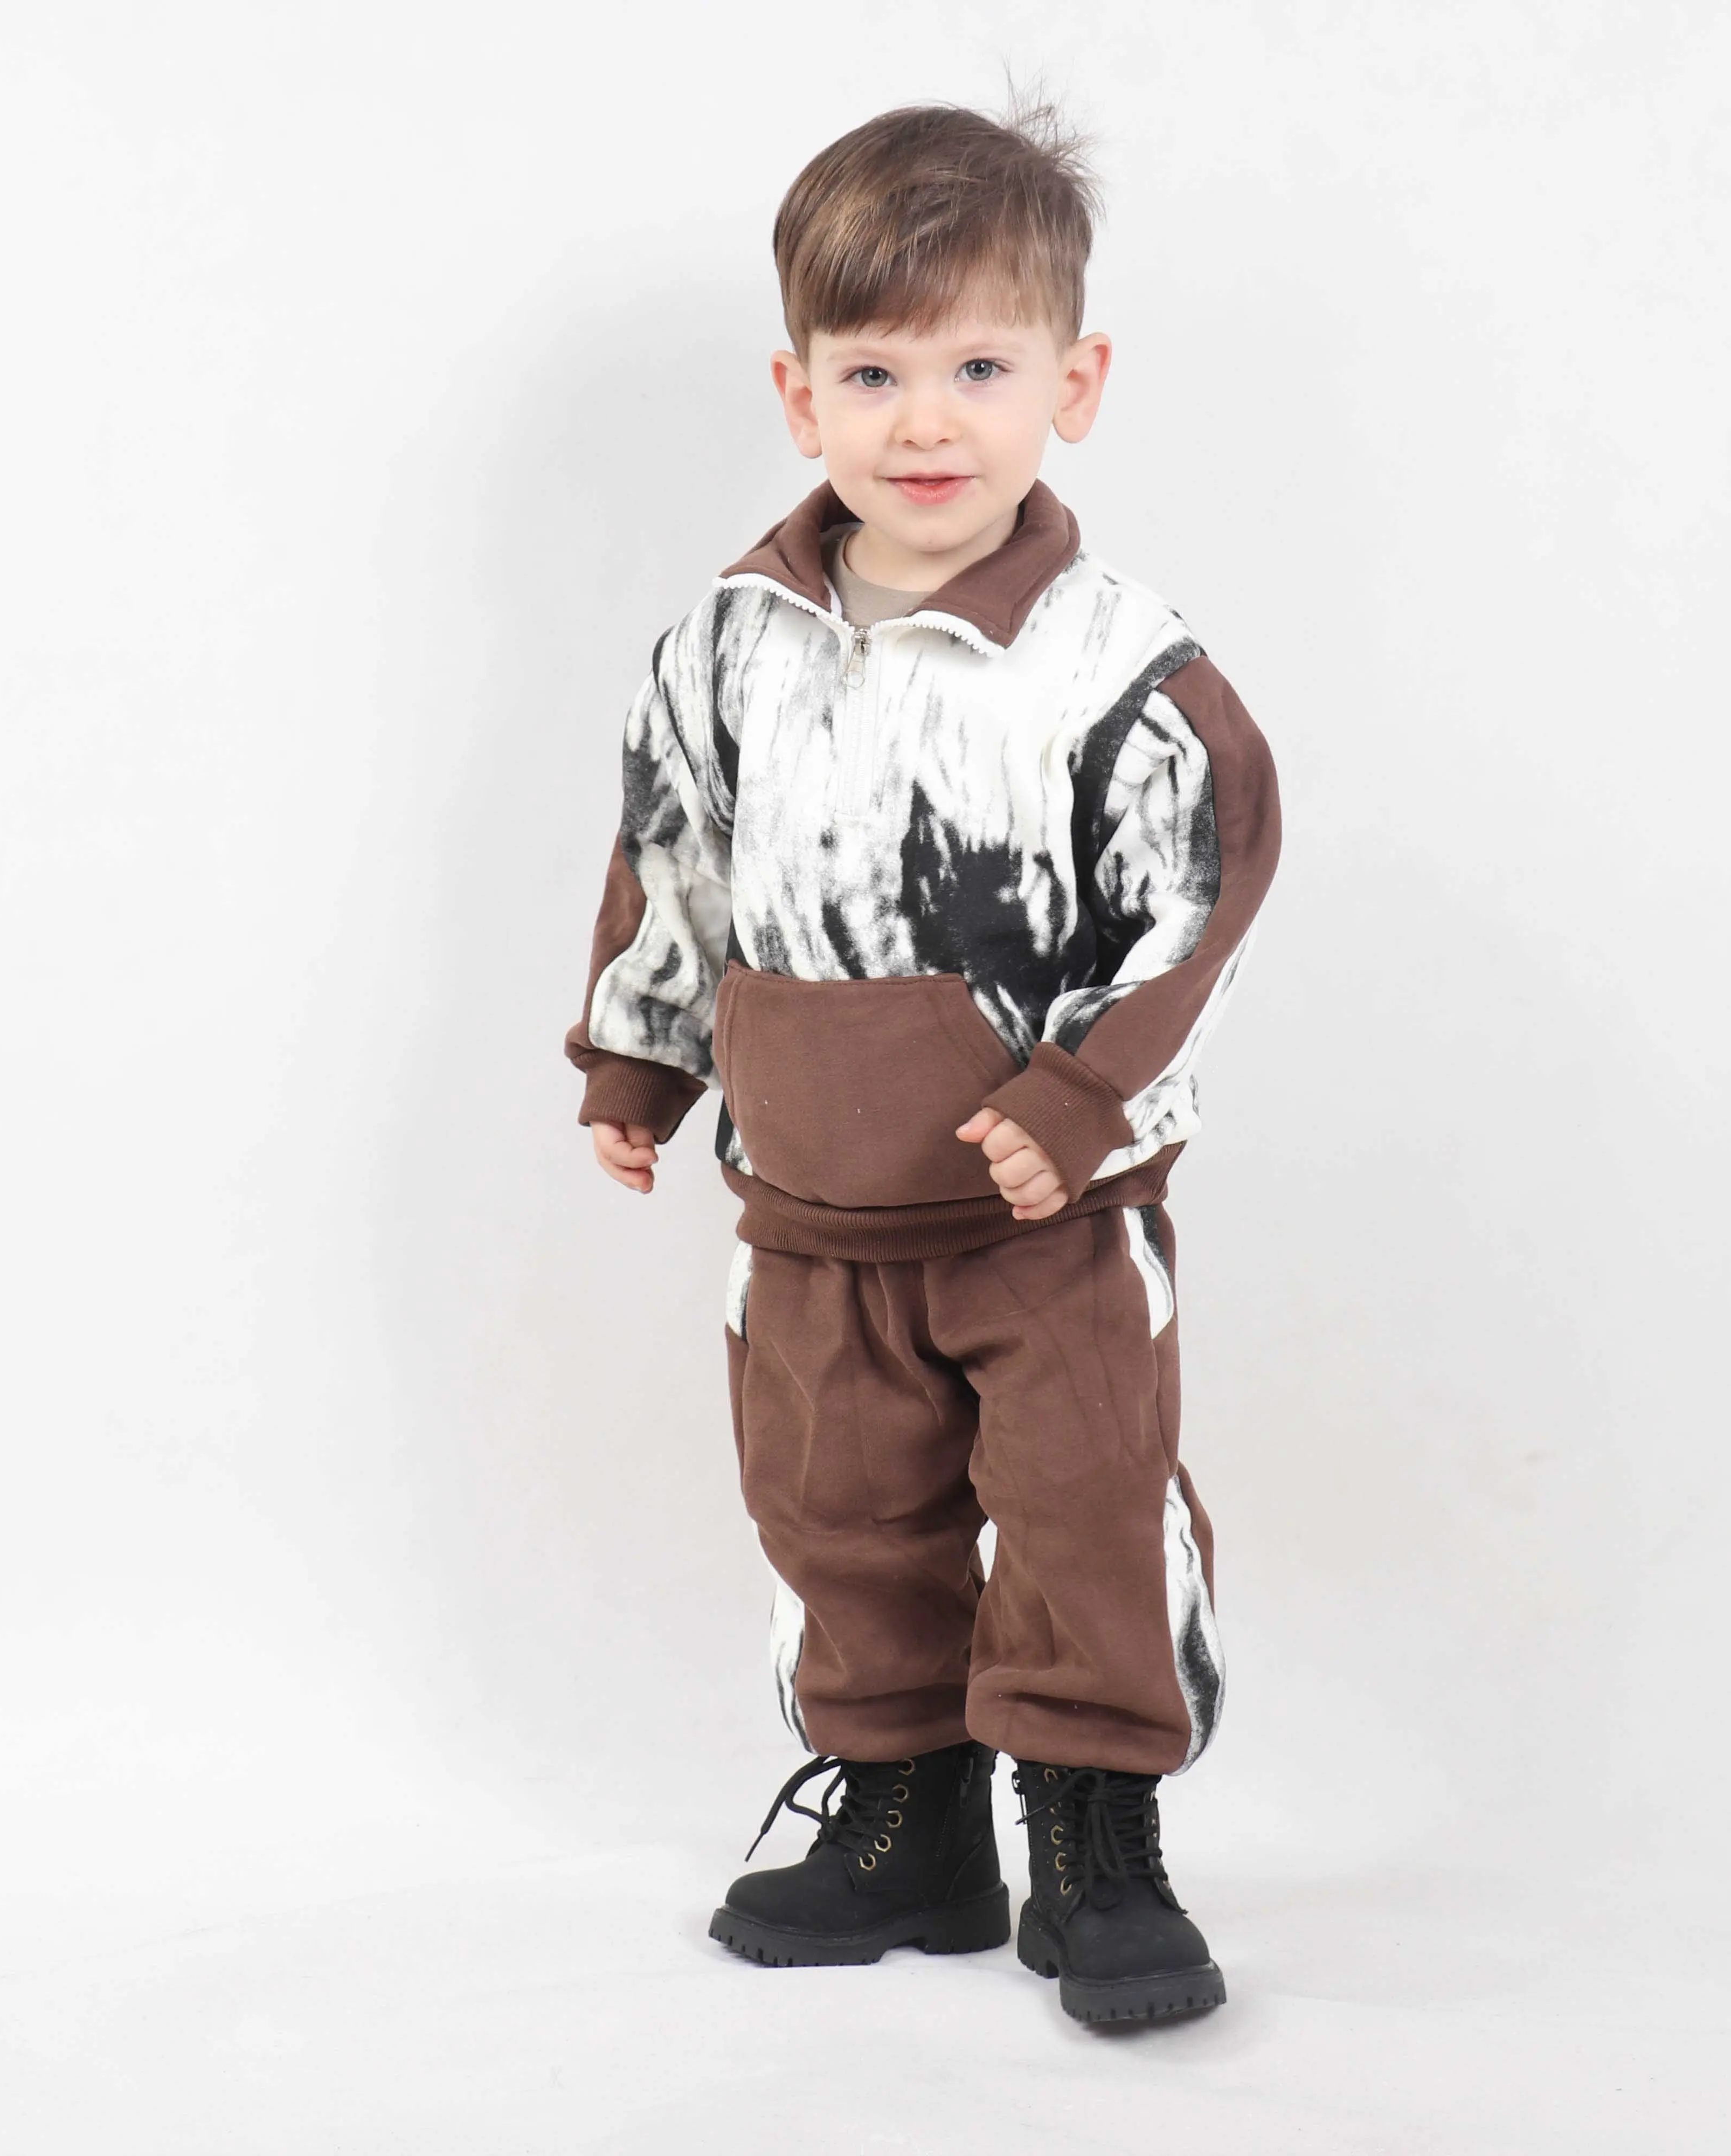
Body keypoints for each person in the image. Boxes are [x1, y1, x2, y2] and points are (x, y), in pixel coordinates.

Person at [562, 94, 1283, 2026]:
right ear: (799, 394)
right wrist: (638, 1063)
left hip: (1043, 1213)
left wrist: (1079, 1098)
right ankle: (910, 1825)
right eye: (874, 373)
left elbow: (1199, 902)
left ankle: (1098, 1840)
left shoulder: (1115, 670)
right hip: (810, 1207)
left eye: (980, 367)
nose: (925, 422)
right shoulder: (726, 646)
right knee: (837, 1515)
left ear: (1076, 383)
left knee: (1083, 1511)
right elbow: (672, 858)